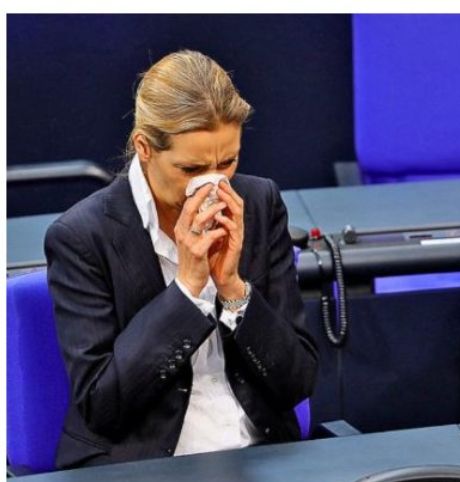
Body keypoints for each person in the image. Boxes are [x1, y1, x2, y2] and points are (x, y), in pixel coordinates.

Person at [45, 50, 318, 468]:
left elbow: (297, 381)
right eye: (191, 168)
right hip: (142, 465)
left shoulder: (259, 203)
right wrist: (187, 290)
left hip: (259, 454)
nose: (213, 183)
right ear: (144, 148)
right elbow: (102, 406)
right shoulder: (82, 237)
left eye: (227, 162)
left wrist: (233, 289)